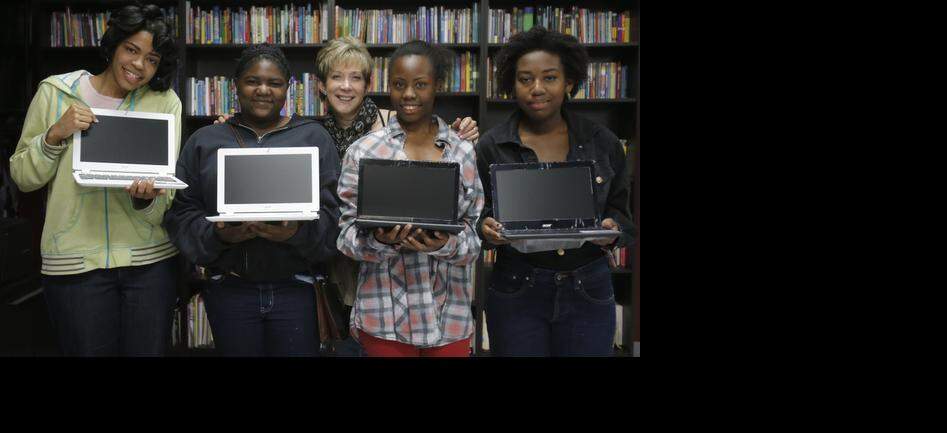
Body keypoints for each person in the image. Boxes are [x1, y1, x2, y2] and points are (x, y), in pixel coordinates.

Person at [213, 36, 480, 356]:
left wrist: (458, 133)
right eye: (337, 77)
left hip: (420, 291)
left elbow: (459, 211)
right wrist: (232, 127)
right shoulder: (309, 135)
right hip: (348, 280)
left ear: (369, 84)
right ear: (321, 86)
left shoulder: (400, 125)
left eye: (355, 77)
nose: (346, 86)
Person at [8, 2, 181, 356]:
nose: (138, 65)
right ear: (113, 44)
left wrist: (146, 198)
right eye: (132, 50)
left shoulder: (165, 103)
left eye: (151, 59)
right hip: (74, 266)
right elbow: (24, 177)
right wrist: (54, 135)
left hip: (148, 264)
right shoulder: (55, 92)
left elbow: (166, 202)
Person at [163, 44, 340, 357]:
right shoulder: (205, 141)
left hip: (297, 288)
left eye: (274, 83)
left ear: (289, 89)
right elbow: (181, 213)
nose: (263, 90)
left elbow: (335, 217)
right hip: (229, 289)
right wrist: (217, 235)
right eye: (252, 81)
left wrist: (295, 234)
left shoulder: (314, 138)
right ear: (236, 86)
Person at [476, 26, 638, 357]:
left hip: (589, 285)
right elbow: (479, 213)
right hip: (516, 285)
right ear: (512, 84)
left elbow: (622, 214)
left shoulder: (602, 142)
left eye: (549, 78)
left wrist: (612, 229)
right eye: (525, 79)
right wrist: (485, 227)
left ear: (568, 82)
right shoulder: (491, 145)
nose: (536, 89)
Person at [336, 41, 483, 357]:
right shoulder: (363, 152)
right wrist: (380, 241)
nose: (409, 94)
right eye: (399, 84)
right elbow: (346, 237)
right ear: (388, 86)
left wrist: (443, 244)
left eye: (420, 84)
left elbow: (474, 240)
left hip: (449, 317)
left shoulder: (462, 151)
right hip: (384, 316)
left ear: (437, 87)